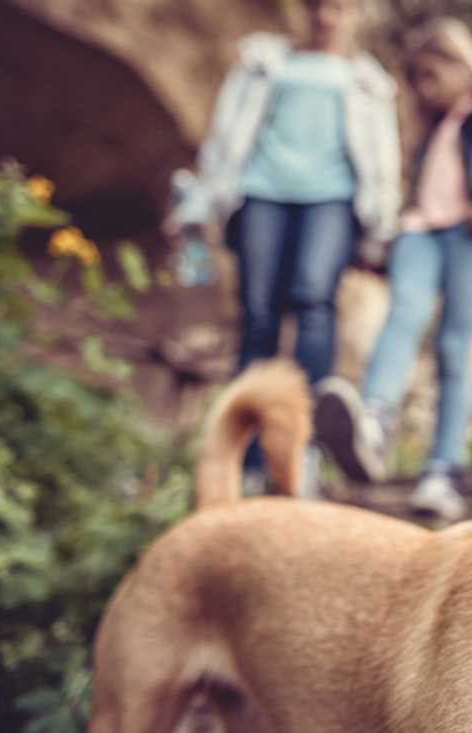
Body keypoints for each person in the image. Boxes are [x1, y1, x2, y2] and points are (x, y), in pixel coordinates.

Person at [314, 17, 472, 521]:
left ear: (459, 62)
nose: (425, 91)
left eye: (431, 76)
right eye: (418, 81)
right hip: (421, 231)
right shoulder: (434, 129)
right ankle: (374, 426)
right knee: (401, 315)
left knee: (453, 343)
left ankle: (444, 470)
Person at [164, 0, 401, 498]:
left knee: (314, 302)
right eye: (318, 7)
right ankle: (245, 462)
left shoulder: (368, 82)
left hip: (333, 200)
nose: (327, 17)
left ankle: (303, 454)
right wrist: (199, 205)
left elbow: (383, 158)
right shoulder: (262, 62)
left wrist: (380, 226)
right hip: (260, 193)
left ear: (355, 16)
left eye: (339, 9)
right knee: (257, 318)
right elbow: (225, 139)